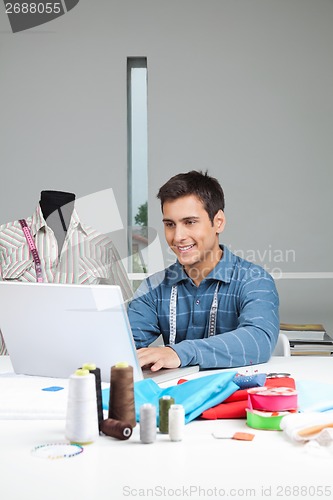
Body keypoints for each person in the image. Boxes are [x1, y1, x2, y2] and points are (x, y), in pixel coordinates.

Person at [128, 170, 279, 372]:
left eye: (190, 222)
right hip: (175, 397)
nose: (178, 236)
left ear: (218, 222)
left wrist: (178, 353)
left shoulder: (255, 281)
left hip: (235, 396)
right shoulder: (153, 286)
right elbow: (123, 344)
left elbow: (258, 340)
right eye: (170, 224)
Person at [0, 190, 132, 354]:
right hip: (15, 363)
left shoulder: (101, 244)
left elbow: (124, 310)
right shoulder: (5, 238)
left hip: (83, 362)